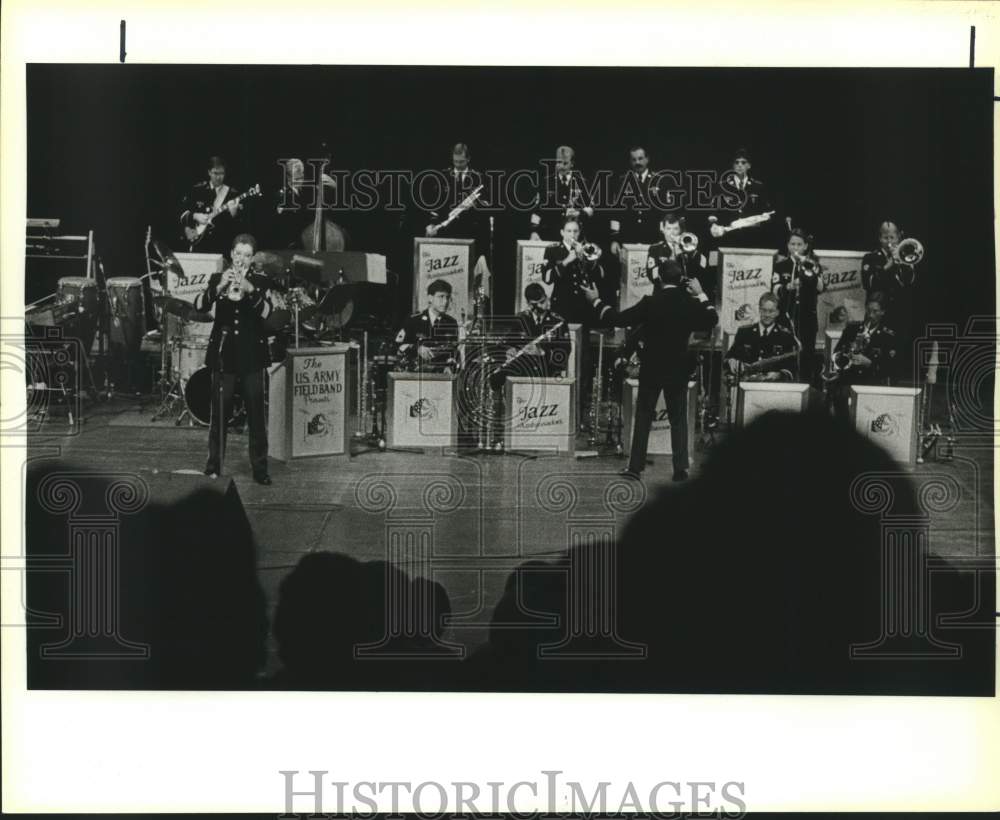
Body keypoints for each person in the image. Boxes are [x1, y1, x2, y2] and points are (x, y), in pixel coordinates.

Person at [582, 259, 718, 481]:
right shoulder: (689, 301)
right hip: (678, 370)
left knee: (643, 417)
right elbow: (712, 318)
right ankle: (680, 469)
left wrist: (596, 300)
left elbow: (617, 319)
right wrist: (701, 294)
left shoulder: (650, 302)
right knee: (678, 419)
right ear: (681, 279)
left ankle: (635, 468)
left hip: (652, 369)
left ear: (660, 279)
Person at [194, 233, 274, 485]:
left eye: (247, 256)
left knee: (256, 415)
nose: (241, 259)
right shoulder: (218, 278)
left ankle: (260, 469)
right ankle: (213, 466)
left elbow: (268, 313)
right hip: (224, 354)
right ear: (231, 255)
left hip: (252, 355)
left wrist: (250, 290)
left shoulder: (260, 281)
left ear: (252, 259)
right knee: (219, 414)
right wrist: (219, 287)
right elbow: (199, 306)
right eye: (238, 254)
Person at [830, 292, 900, 418]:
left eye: (875, 311)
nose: (870, 315)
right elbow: (836, 354)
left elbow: (891, 368)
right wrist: (848, 353)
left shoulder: (888, 336)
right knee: (838, 395)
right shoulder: (852, 329)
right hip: (849, 381)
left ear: (883, 312)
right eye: (868, 310)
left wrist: (869, 363)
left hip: (872, 383)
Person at [772, 227, 825, 384]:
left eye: (799, 244)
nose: (795, 248)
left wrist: (811, 272)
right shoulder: (781, 266)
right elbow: (774, 289)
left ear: (805, 246)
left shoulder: (813, 264)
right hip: (785, 317)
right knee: (785, 355)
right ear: (788, 245)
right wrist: (787, 287)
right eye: (792, 244)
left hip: (807, 318)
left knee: (807, 356)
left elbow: (821, 288)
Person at [709, 147, 779, 248]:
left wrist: (759, 220)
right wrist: (714, 225)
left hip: (752, 237)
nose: (740, 165)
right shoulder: (722, 187)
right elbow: (714, 211)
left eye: (743, 162)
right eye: (736, 162)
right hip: (729, 238)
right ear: (733, 166)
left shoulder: (758, 187)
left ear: (749, 165)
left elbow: (767, 212)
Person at [422, 143, 487, 245]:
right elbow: (435, 204)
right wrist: (432, 224)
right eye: (455, 161)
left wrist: (476, 205)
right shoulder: (442, 176)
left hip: (470, 231)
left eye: (461, 162)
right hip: (446, 230)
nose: (458, 165)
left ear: (468, 159)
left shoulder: (478, 177)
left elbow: (487, 204)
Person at [503, 283, 571, 380]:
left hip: (548, 376)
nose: (547, 303)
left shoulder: (558, 322)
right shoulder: (521, 320)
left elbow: (565, 352)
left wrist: (542, 352)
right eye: (541, 302)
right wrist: (509, 350)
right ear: (530, 305)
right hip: (523, 376)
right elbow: (508, 343)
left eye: (545, 299)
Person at [724, 292, 798, 382]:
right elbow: (728, 358)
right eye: (764, 310)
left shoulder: (786, 336)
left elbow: (792, 368)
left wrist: (779, 375)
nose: (767, 315)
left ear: (777, 312)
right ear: (759, 310)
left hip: (773, 389)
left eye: (771, 311)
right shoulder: (744, 333)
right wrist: (731, 361)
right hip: (747, 386)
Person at [179, 156, 244, 255]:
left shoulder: (232, 194)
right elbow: (182, 214)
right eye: (215, 173)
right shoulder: (197, 190)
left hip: (221, 246)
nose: (219, 177)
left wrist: (234, 214)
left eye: (222, 173)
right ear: (209, 172)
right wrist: (195, 216)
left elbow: (239, 227)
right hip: (199, 245)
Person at [528, 146, 595, 242]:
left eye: (565, 163)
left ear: (572, 164)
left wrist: (579, 213)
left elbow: (591, 208)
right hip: (549, 235)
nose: (561, 166)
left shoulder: (583, 183)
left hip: (574, 237)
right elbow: (537, 212)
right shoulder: (546, 183)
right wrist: (534, 231)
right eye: (559, 162)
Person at [860, 219, 918, 330]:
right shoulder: (870, 258)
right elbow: (869, 284)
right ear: (880, 239)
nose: (889, 242)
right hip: (876, 315)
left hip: (899, 312)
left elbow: (909, 281)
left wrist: (903, 264)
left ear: (898, 239)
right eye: (885, 238)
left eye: (892, 238)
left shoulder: (904, 257)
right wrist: (887, 266)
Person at [395, 278, 460, 371]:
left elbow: (453, 350)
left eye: (447, 297)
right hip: (413, 374)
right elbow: (399, 345)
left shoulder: (451, 323)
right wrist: (417, 348)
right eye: (441, 297)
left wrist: (449, 365)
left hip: (439, 376)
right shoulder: (414, 320)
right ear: (430, 298)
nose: (445, 301)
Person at [609, 145, 664, 254]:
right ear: (630, 162)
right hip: (628, 239)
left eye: (640, 158)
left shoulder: (659, 181)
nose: (637, 162)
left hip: (653, 239)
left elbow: (663, 213)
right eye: (634, 160)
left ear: (647, 159)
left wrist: (663, 238)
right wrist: (615, 239)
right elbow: (616, 214)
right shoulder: (621, 182)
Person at [646, 214, 707, 284]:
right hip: (664, 291)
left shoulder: (688, 248)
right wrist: (673, 256)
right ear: (663, 230)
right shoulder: (655, 249)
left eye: (675, 228)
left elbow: (702, 271)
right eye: (668, 228)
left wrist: (690, 252)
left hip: (685, 291)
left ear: (680, 231)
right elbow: (653, 276)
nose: (671, 232)